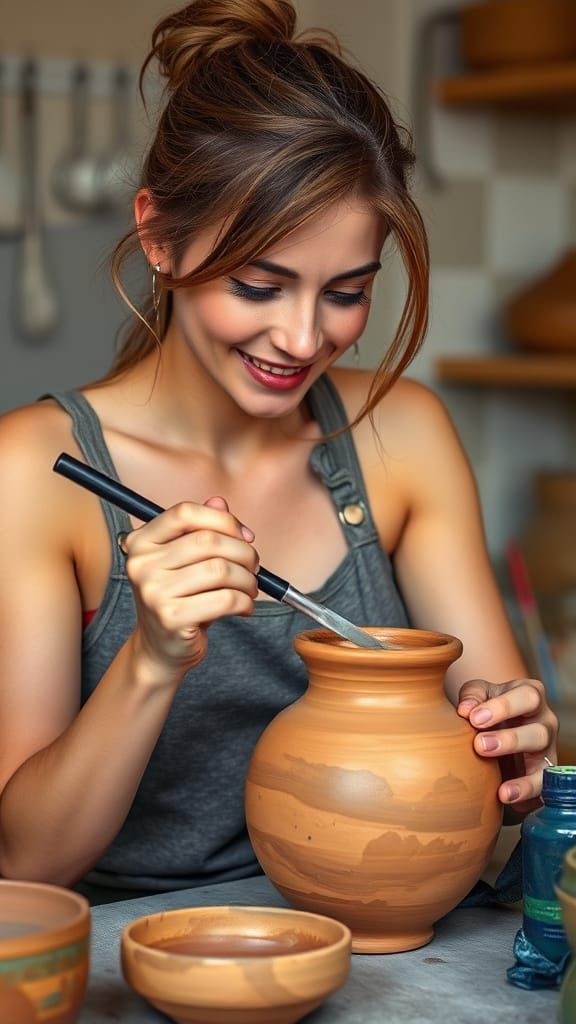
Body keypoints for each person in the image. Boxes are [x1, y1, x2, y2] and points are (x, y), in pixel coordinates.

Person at [0, 0, 558, 905]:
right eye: (260, 284)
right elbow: (26, 863)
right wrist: (150, 657)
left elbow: (500, 769)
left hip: (383, 941)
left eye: (346, 292)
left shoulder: (401, 434)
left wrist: (518, 748)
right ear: (161, 237)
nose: (302, 338)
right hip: (135, 951)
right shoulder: (32, 473)